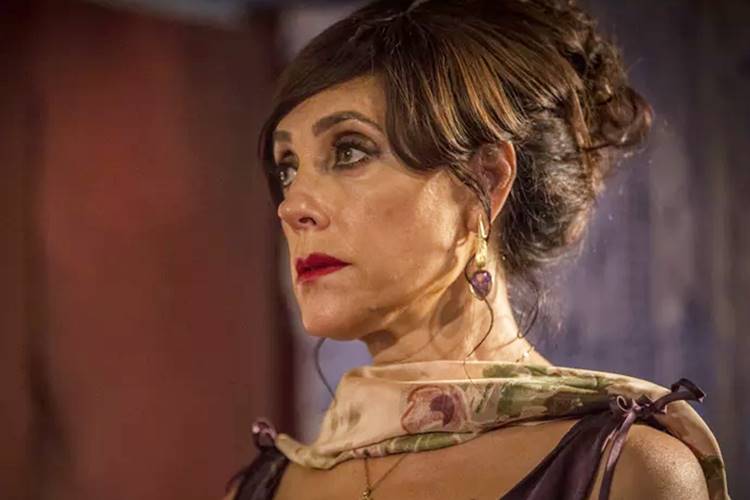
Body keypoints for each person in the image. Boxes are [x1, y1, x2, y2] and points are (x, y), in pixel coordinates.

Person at [224, 0, 729, 498]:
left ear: (485, 183)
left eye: (349, 150)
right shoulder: (261, 489)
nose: (292, 207)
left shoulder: (624, 472)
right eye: (288, 167)